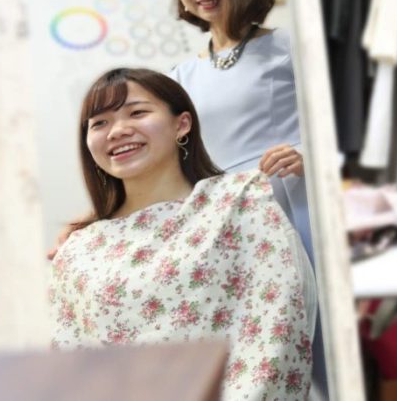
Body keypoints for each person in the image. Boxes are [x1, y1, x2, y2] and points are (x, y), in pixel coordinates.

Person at [50, 68, 315, 401]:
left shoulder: (240, 202)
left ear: (182, 124)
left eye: (137, 112)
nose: (117, 130)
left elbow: (277, 327)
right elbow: (73, 366)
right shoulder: (78, 250)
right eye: (99, 123)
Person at [167, 0, 312, 254]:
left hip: (298, 199)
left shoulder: (288, 45)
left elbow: (343, 121)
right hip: (232, 219)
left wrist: (307, 156)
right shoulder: (179, 77)